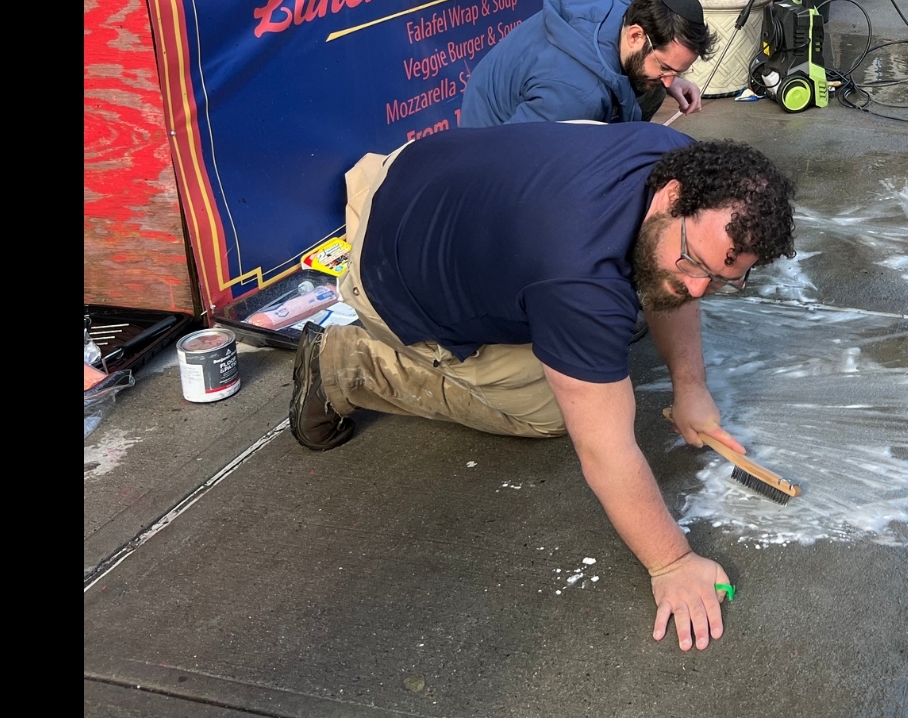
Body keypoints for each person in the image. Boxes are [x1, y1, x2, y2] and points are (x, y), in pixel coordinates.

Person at [290, 124, 798, 651]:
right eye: (695, 263)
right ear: (672, 197)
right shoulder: (580, 278)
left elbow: (676, 278)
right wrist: (672, 561)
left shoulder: (684, 165)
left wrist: (690, 387)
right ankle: (348, 362)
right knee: (555, 408)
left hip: (409, 172)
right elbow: (604, 451)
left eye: (721, 278)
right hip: (386, 267)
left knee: (643, 297)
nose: (699, 287)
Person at [459, 0, 713, 128]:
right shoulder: (577, 95)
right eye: (665, 67)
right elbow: (517, 155)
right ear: (635, 36)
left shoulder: (628, 6)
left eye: (677, 71)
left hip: (534, 107)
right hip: (492, 139)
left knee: (652, 86)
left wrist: (671, 76)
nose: (670, 80)